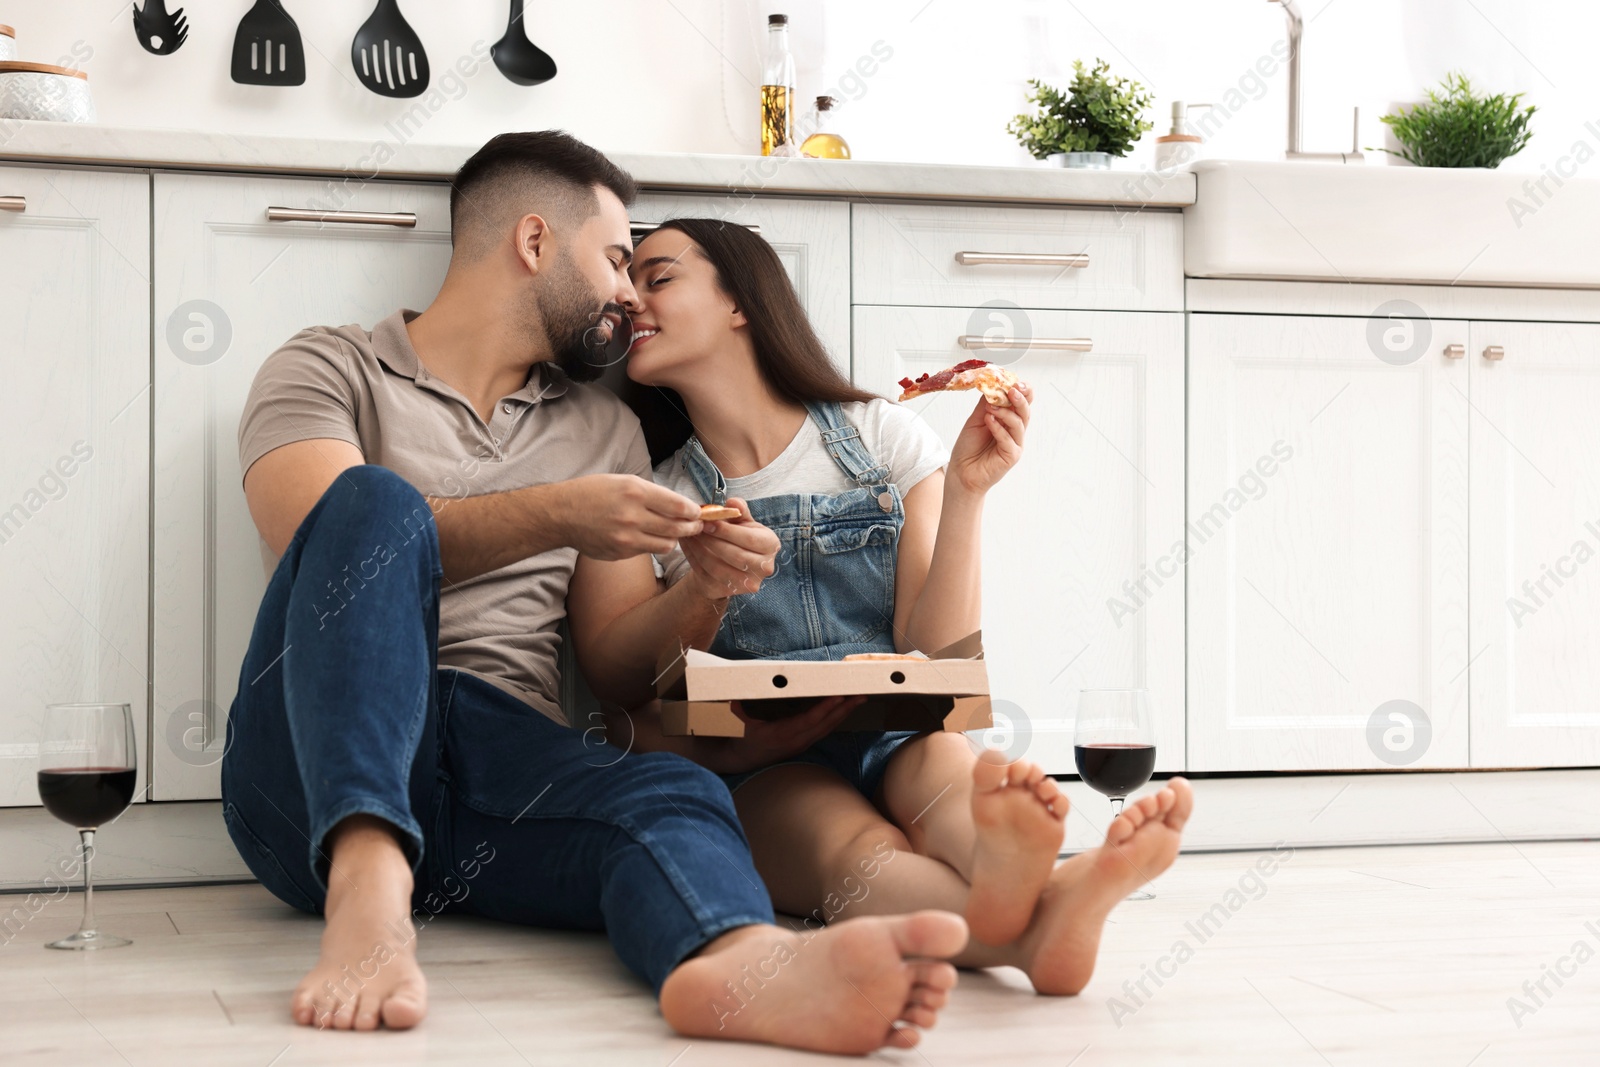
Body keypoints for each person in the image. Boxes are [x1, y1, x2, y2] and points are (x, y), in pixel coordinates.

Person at [221, 130, 972, 1055]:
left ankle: (735, 965)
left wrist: (703, 588)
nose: (628, 292)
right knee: (371, 500)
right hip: (306, 772)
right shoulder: (328, 367)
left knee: (672, 789)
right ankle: (368, 888)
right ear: (535, 243)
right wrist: (558, 515)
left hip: (504, 761)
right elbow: (321, 539)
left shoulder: (607, 431)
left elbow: (618, 665)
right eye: (619, 258)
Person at [597, 218, 1194, 993]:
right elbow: (626, 688)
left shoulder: (882, 437)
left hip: (902, 728)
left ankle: (1012, 876)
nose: (628, 298)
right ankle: (1043, 915)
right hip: (763, 765)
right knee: (856, 853)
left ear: (740, 299)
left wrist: (968, 493)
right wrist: (699, 590)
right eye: (626, 279)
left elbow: (935, 645)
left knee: (946, 783)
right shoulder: (658, 496)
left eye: (658, 276)